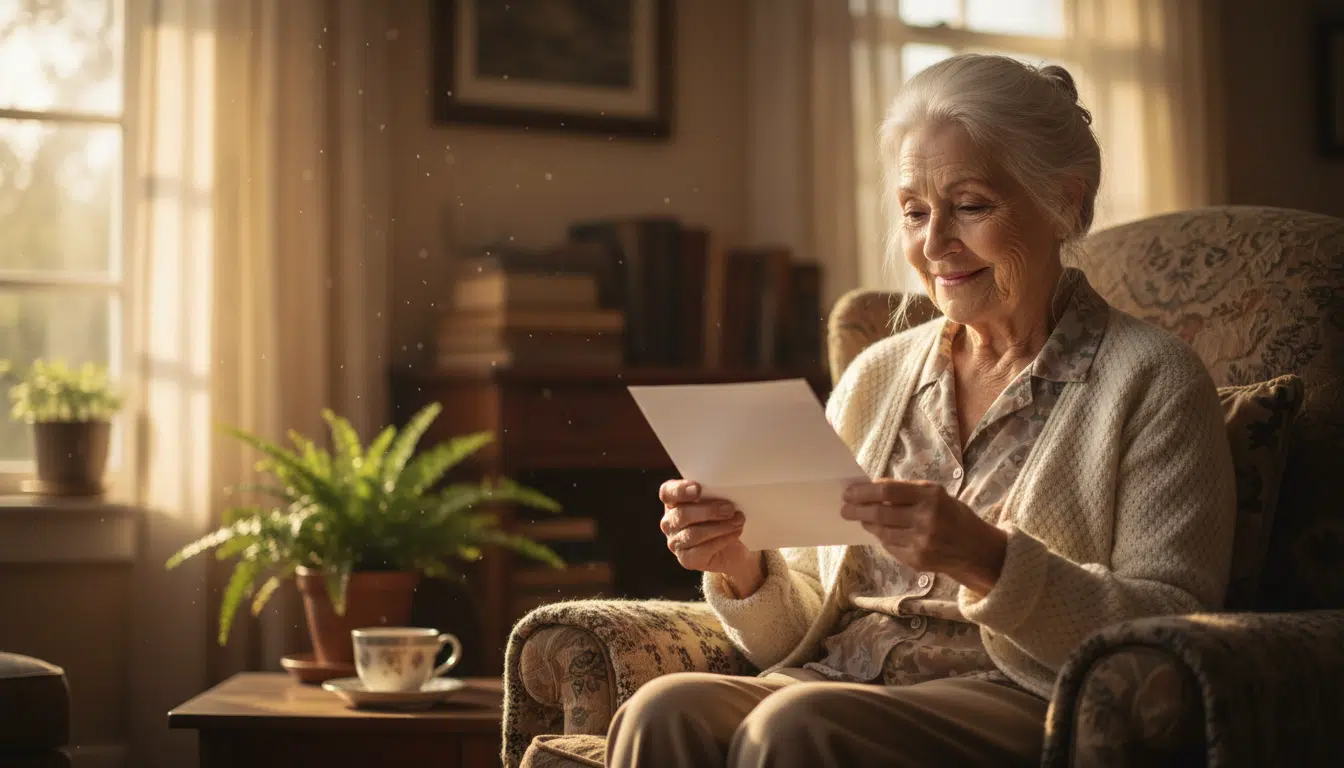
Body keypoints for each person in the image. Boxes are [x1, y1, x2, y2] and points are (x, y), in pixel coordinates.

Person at [605, 54, 1236, 768]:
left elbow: (1173, 638)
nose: (934, 245)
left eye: (970, 205)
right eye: (914, 212)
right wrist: (741, 567)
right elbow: (795, 631)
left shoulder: (1153, 380)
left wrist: (988, 559)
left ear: (1064, 199)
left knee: (798, 727)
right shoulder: (879, 375)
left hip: (1018, 695)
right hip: (832, 680)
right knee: (663, 711)